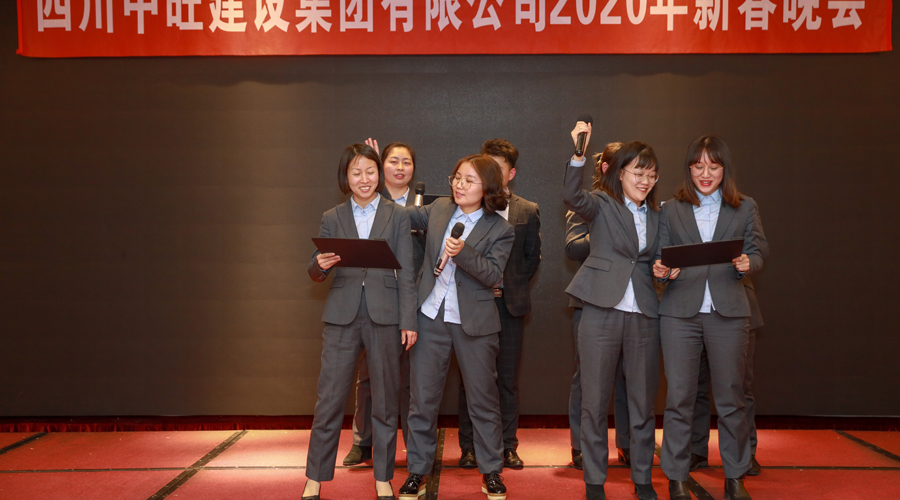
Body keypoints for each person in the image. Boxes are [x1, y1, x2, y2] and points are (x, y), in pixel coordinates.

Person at [653, 135, 768, 500]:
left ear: (724, 169)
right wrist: (661, 271)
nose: (705, 174)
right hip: (679, 315)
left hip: (729, 314)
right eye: (698, 166)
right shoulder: (670, 208)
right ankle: (676, 477)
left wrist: (750, 262)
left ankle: (735, 476)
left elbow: (758, 249)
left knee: (731, 398)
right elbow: (658, 257)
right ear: (689, 169)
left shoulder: (744, 207)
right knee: (679, 399)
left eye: (713, 167)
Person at [302, 143, 418, 500]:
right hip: (342, 316)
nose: (364, 179)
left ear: (378, 175)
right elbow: (315, 266)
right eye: (356, 172)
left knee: (385, 401)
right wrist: (318, 265)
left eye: (370, 171)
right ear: (346, 177)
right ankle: (314, 477)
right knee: (329, 400)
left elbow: (407, 272)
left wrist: (408, 320)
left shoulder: (398, 215)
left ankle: (383, 477)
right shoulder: (332, 216)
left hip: (386, 316)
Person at [398, 154, 515, 500]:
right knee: (422, 401)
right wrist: (382, 183)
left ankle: (491, 471)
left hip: (474, 324)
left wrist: (462, 252)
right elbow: (399, 214)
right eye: (456, 178)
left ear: (488, 187)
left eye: (469, 180)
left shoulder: (501, 229)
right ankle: (417, 471)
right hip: (430, 317)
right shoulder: (438, 210)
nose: (459, 185)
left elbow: (493, 275)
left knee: (483, 401)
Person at [564, 121, 662, 500]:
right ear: (620, 173)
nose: (645, 181)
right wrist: (578, 153)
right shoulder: (602, 203)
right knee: (594, 401)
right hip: (600, 311)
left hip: (644, 315)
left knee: (642, 403)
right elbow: (572, 195)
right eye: (638, 173)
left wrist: (665, 269)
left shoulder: (659, 215)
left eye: (651, 175)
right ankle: (594, 482)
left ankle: (643, 479)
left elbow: (661, 258)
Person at [458, 138, 541, 470]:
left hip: (509, 307)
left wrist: (504, 285)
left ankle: (508, 445)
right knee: (471, 380)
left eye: (497, 169)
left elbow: (531, 259)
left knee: (506, 380)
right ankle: (469, 447)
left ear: (511, 174)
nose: (489, 173)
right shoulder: (467, 206)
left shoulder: (527, 210)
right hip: (471, 305)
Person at [344, 139, 425, 467]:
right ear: (381, 168)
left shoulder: (425, 206)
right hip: (377, 302)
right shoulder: (367, 203)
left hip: (417, 298)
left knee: (410, 379)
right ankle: (363, 441)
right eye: (392, 161)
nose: (400, 168)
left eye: (407, 162)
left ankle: (410, 446)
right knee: (368, 375)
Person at [565, 143, 635, 470]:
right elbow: (572, 247)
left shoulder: (640, 207)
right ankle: (581, 445)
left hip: (630, 304)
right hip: (591, 302)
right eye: (624, 167)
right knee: (588, 378)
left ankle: (627, 444)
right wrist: (606, 235)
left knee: (628, 377)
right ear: (608, 169)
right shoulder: (590, 202)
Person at [689, 277, 765, 477]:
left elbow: (756, 257)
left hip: (735, 310)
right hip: (690, 312)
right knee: (693, 387)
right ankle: (696, 449)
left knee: (738, 388)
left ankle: (745, 451)